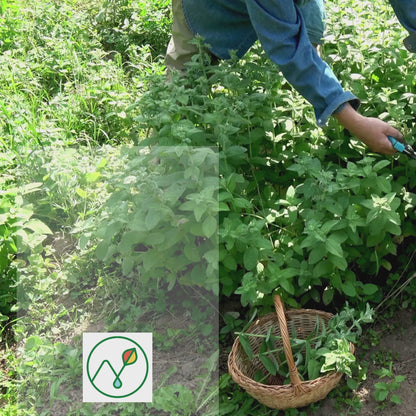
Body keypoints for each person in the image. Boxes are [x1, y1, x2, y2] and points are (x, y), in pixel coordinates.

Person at [165, 0, 416, 155]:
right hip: (209, 9)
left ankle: (307, 110)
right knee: (185, 84)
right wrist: (355, 121)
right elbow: (288, 45)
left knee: (310, 35)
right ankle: (161, 177)